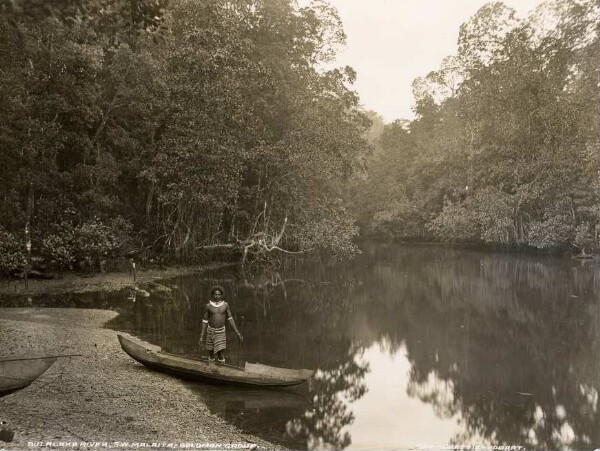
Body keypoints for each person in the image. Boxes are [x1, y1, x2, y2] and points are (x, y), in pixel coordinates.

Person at [199, 285, 242, 363]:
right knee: (211, 353)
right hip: (210, 331)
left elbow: (230, 318)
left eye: (219, 294)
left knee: (221, 354)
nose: (217, 296)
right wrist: (201, 336)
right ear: (212, 294)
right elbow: (205, 321)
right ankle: (211, 371)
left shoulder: (225, 305)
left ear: (221, 295)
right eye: (215, 294)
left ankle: (222, 370)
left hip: (221, 332)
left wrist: (237, 332)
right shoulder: (208, 306)